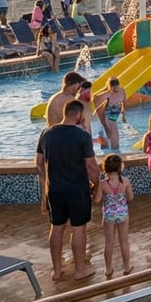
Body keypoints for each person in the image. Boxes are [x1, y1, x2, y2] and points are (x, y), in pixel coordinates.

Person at [35, 99, 100, 281]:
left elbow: (39, 164)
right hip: (77, 190)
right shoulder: (82, 136)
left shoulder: (46, 133)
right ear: (78, 114)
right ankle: (80, 270)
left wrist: (49, 180)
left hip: (54, 190)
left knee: (56, 227)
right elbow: (91, 167)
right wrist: (97, 185)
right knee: (78, 228)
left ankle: (57, 271)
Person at [94, 154, 133, 277]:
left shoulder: (102, 184)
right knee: (124, 241)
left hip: (109, 216)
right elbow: (131, 197)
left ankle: (108, 269)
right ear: (120, 167)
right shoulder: (125, 181)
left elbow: (97, 200)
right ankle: (126, 267)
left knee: (109, 243)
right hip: (122, 214)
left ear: (104, 167)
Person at [93, 78, 126, 150]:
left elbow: (123, 102)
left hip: (114, 112)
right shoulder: (109, 92)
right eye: (113, 88)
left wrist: (123, 115)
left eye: (116, 87)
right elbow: (95, 97)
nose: (115, 89)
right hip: (110, 112)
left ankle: (109, 145)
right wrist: (106, 89)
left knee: (110, 130)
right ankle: (113, 147)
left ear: (119, 85)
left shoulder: (122, 91)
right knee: (112, 130)